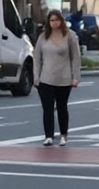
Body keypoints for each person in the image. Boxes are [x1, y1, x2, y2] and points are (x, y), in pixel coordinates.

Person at [34, 9, 80, 144]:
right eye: (52, 20)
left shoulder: (70, 36)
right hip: (46, 78)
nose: (54, 23)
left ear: (61, 21)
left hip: (64, 78)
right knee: (47, 108)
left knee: (62, 107)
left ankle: (63, 135)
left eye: (57, 20)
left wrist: (75, 77)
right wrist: (36, 77)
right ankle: (48, 136)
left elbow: (75, 57)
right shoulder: (43, 37)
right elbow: (37, 58)